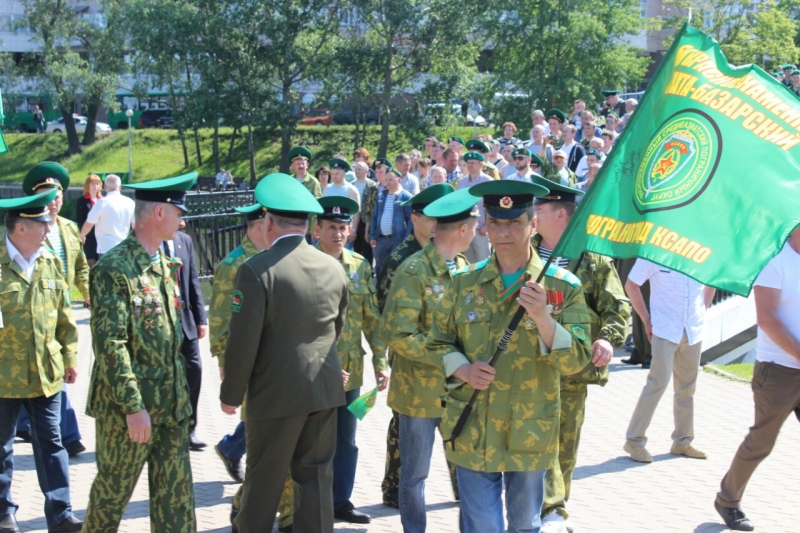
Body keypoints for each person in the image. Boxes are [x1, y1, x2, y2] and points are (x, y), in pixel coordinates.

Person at [426, 179, 593, 533]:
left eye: (514, 222)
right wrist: (464, 370)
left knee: (524, 525)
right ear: (485, 225)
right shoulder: (463, 283)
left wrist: (544, 318)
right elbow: (437, 342)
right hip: (474, 423)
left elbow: (577, 359)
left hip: (530, 429)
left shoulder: (562, 286)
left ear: (533, 225)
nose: (504, 232)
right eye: (496, 222)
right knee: (483, 526)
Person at [220, 173, 348, 533]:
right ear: (309, 224)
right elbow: (336, 328)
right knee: (316, 482)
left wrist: (230, 395)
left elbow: (243, 342)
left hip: (274, 395)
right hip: (322, 390)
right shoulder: (333, 266)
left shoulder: (256, 269)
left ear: (269, 222)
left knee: (263, 484)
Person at [84, 172, 199, 532]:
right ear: (158, 213)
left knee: (176, 503)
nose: (182, 221)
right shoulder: (114, 269)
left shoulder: (164, 264)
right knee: (110, 498)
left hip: (171, 405)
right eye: (178, 212)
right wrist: (134, 407)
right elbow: (110, 345)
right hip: (128, 411)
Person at [530, 178, 630, 533]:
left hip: (572, 370)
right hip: (528, 368)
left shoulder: (593, 258)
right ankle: (543, 510)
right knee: (533, 441)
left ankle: (553, 510)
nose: (532, 216)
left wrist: (607, 339)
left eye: (538, 210)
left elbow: (617, 306)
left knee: (564, 445)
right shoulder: (522, 254)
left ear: (560, 214)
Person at [381, 188, 480, 532]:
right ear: (463, 230)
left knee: (469, 471)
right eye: (476, 225)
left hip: (460, 391)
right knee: (414, 477)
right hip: (419, 394)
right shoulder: (414, 270)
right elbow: (399, 334)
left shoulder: (466, 268)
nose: (478, 232)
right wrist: (451, 359)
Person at [0, 189, 82, 533]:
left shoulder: (49, 261)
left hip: (46, 372)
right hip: (4, 374)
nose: (50, 228)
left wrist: (70, 355)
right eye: (43, 224)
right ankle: (4, 512)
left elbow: (64, 313)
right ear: (21, 228)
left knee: (52, 443)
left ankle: (60, 513)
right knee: (1, 447)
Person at [209, 204, 295, 533]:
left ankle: (287, 515)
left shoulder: (276, 257)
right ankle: (244, 510)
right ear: (260, 224)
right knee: (265, 449)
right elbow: (220, 322)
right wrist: (227, 366)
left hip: (281, 369)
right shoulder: (234, 264)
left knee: (282, 447)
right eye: (272, 221)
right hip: (253, 370)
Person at [375, 183, 460, 509]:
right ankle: (395, 488)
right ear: (414, 218)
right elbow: (387, 315)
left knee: (456, 420)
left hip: (452, 363)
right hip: (412, 358)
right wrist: (383, 360)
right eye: (431, 216)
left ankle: (460, 487)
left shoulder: (454, 255)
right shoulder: (401, 260)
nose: (438, 223)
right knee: (405, 425)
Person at [714, 229, 800, 532]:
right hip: (778, 371)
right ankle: (727, 501)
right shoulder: (775, 262)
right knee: (761, 441)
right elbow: (768, 319)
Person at [315, 196, 389, 525]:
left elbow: (371, 318)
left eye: (343, 227)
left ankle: (339, 501)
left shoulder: (359, 265)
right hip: (314, 373)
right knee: (312, 440)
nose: (338, 233)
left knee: (347, 440)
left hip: (352, 372)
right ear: (317, 229)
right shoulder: (305, 264)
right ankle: (309, 503)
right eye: (331, 227)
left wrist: (380, 361)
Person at [17, 163, 89, 458]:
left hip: (63, 308)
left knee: (53, 368)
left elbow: (81, 267)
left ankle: (28, 423)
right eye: (46, 194)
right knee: (50, 370)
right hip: (34, 308)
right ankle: (69, 434)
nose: (53, 200)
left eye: (57, 194)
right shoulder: (30, 230)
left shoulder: (70, 229)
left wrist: (90, 295)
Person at [623, 259, 716, 464]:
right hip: (664, 328)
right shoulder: (655, 250)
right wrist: (646, 319)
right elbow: (631, 284)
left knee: (687, 387)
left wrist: (702, 311)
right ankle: (634, 441)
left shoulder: (702, 250)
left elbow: (712, 281)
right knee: (657, 383)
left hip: (693, 330)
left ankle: (682, 441)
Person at [164, 224, 208, 450]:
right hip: (159, 321)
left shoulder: (185, 240)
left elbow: (193, 280)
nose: (180, 221)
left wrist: (201, 318)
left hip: (185, 318)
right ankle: (167, 427)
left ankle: (190, 428)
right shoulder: (148, 242)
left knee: (195, 369)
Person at [370, 169, 413, 279]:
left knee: (397, 268)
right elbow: (374, 217)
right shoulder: (380, 196)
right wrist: (372, 236)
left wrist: (406, 240)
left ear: (399, 180)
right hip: (381, 240)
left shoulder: (406, 197)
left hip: (398, 240)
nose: (387, 182)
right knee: (380, 268)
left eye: (391, 180)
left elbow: (411, 220)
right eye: (386, 180)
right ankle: (379, 293)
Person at [80, 174, 136, 258]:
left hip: (105, 249)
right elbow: (135, 226)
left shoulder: (102, 203)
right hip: (124, 248)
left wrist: (82, 235)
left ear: (105, 187)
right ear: (120, 187)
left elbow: (89, 223)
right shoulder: (130, 202)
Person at [455, 150, 492, 263]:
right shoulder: (462, 182)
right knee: (468, 263)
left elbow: (493, 207)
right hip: (466, 229)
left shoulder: (488, 182)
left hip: (481, 230)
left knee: (483, 262)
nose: (470, 165)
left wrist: (487, 226)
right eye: (468, 163)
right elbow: (458, 205)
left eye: (473, 163)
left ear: (481, 164)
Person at [288, 146, 322, 243]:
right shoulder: (289, 181)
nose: (301, 166)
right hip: (292, 226)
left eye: (303, 163)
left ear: (307, 165)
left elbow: (318, 206)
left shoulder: (313, 182)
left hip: (309, 229)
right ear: (293, 165)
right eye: (298, 164)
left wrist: (316, 227)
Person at [352, 161, 377, 263]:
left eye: (360, 169)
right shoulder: (351, 184)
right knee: (355, 247)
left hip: (366, 220)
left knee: (366, 248)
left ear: (366, 171)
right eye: (356, 169)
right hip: (353, 219)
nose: (357, 171)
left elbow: (372, 206)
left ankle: (368, 271)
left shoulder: (372, 185)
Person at [76, 173, 103, 266]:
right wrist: (82, 234)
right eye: (93, 184)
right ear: (88, 185)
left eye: (97, 184)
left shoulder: (103, 200)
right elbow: (80, 219)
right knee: (91, 263)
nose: (95, 186)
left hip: (102, 237)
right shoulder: (82, 201)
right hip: (89, 238)